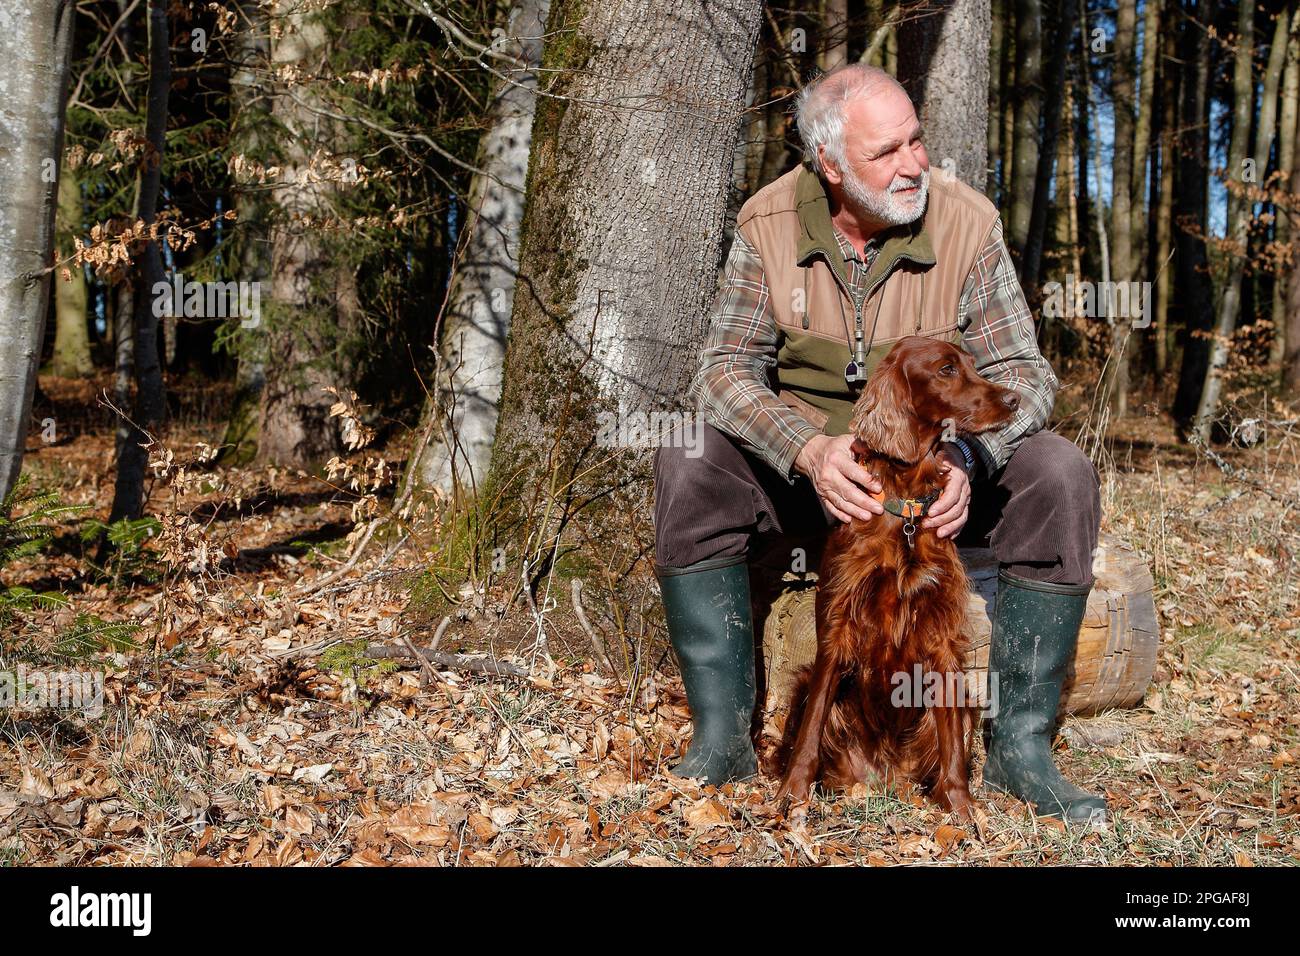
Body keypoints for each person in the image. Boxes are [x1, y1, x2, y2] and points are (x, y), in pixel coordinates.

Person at [652, 64, 1107, 825]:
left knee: (1061, 471)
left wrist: (968, 459)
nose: (914, 163)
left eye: (917, 140)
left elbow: (1025, 376)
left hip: (933, 484)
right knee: (687, 455)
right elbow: (722, 373)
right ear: (831, 164)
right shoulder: (768, 223)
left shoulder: (965, 222)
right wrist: (807, 449)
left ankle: (1023, 751)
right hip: (814, 480)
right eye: (887, 151)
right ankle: (723, 741)